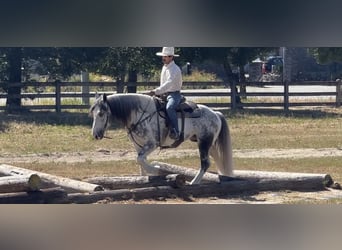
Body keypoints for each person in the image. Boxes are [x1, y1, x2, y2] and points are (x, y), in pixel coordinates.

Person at [150, 47, 183, 140]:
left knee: (170, 108)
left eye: (165, 56)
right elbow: (164, 83)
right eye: (163, 56)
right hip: (163, 94)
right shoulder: (165, 67)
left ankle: (176, 131)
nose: (163, 58)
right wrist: (158, 92)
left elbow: (169, 83)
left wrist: (156, 91)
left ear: (171, 57)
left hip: (174, 94)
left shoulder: (175, 69)